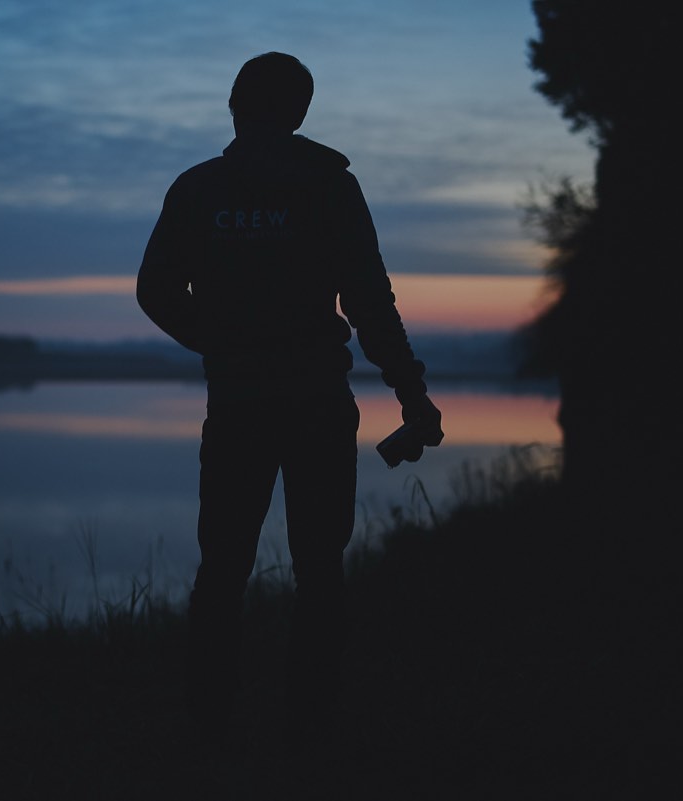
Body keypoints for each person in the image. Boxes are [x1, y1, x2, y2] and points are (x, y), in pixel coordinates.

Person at [135, 52, 443, 755]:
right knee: (319, 569)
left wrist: (218, 342)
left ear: (235, 105)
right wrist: (412, 392)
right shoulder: (328, 186)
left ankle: (209, 727)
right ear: (300, 113)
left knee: (223, 569)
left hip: (239, 403)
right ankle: (310, 729)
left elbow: (156, 290)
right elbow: (370, 302)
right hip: (315, 401)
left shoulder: (199, 189)